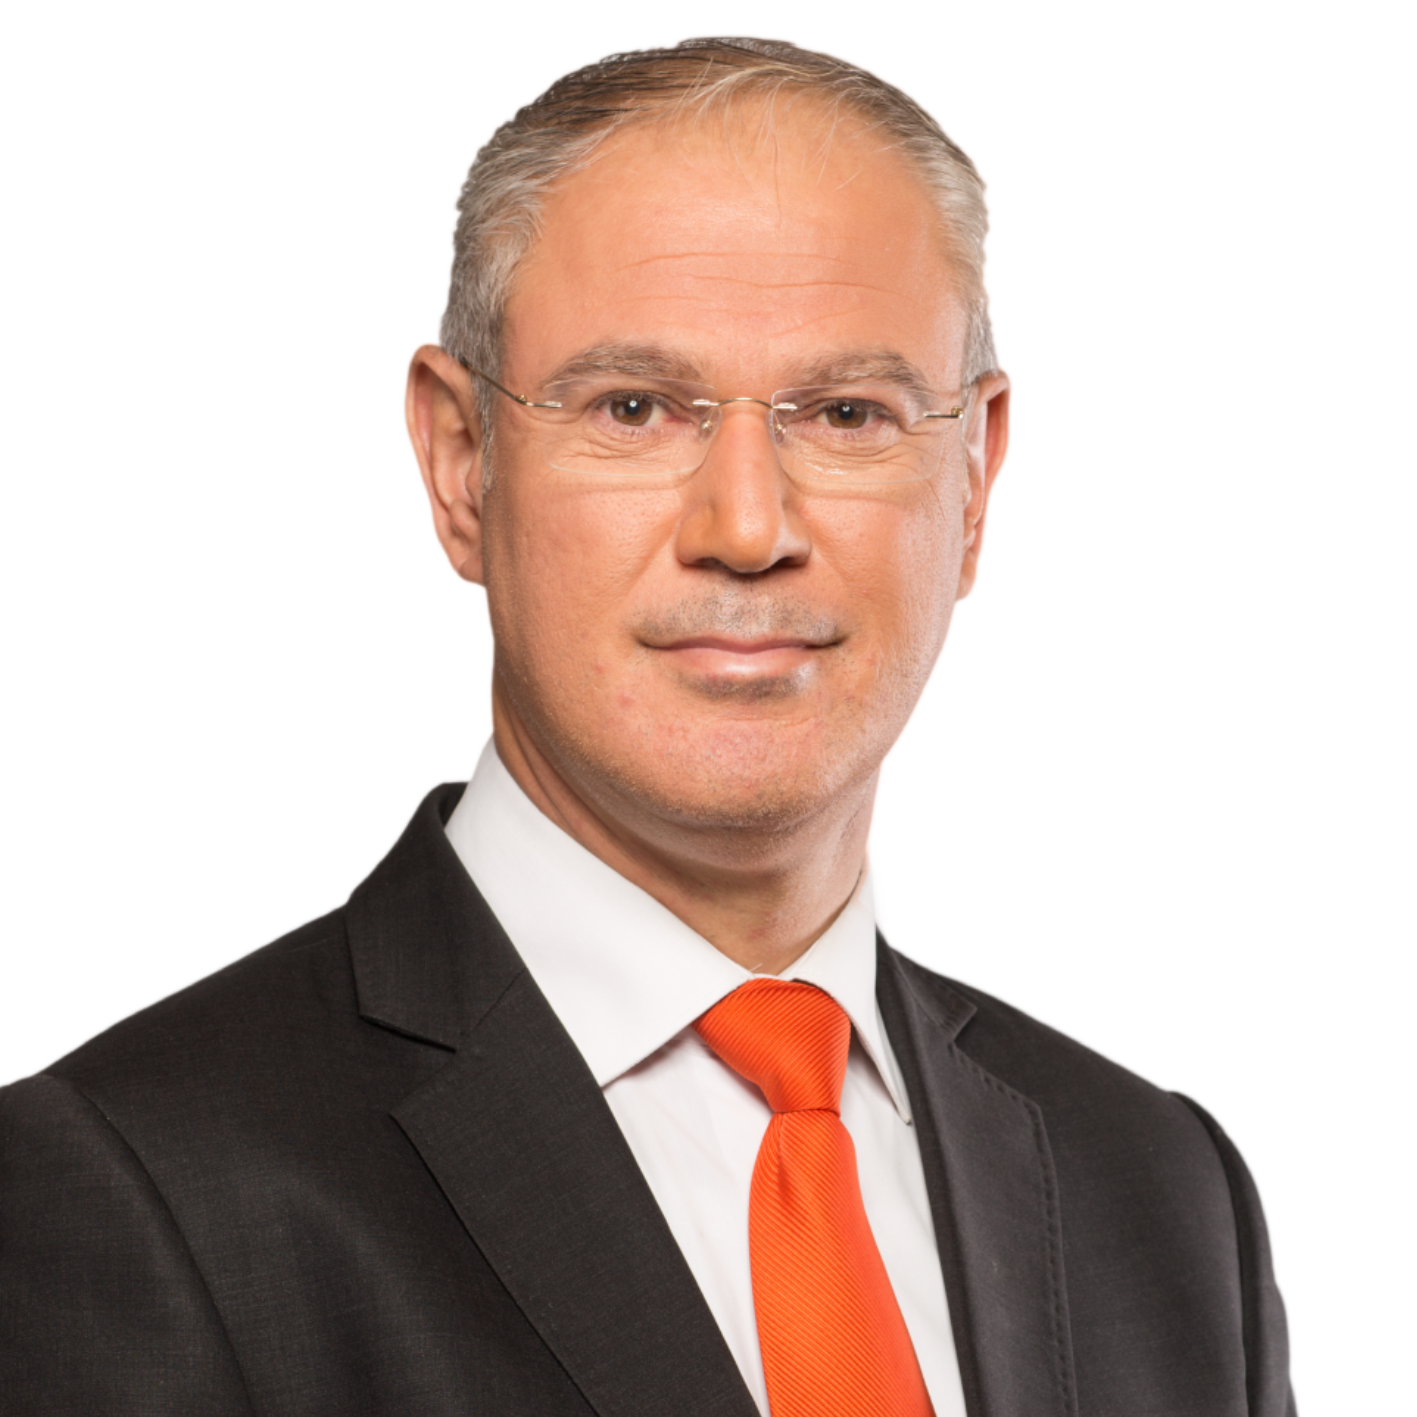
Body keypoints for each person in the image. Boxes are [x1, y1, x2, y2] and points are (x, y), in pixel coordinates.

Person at [0, 35, 1300, 1417]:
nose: (746, 526)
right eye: (634, 409)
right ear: (459, 461)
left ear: (975, 481)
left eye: (846, 413)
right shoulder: (136, 1194)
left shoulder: (1160, 1197)